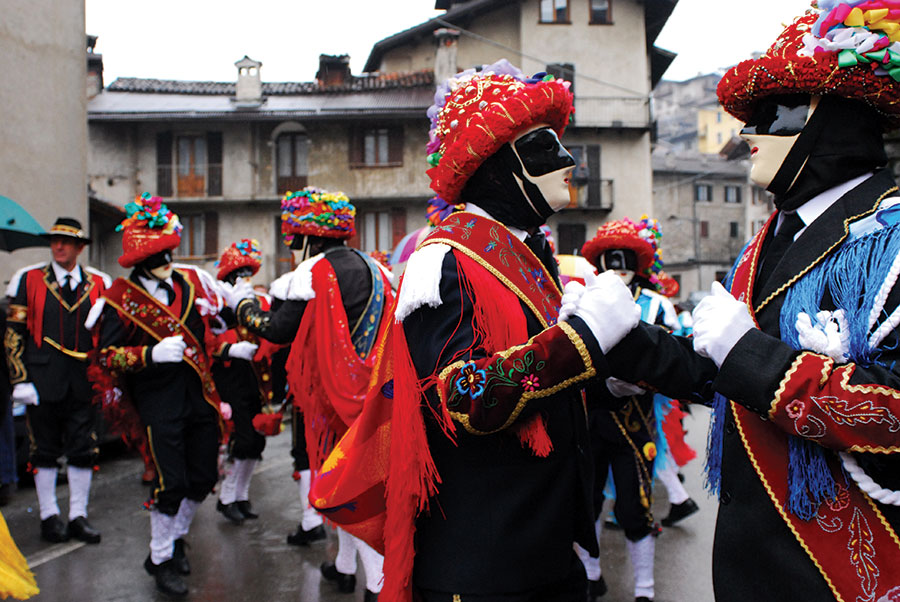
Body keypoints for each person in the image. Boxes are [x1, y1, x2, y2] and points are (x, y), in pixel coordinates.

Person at [578, 5, 900, 600]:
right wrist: (623, 341)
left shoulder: (893, 238)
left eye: (771, 114)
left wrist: (752, 355)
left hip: (844, 566)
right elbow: (714, 370)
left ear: (828, 123)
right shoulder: (766, 242)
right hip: (750, 558)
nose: (747, 133)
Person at [309, 59, 640, 602]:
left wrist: (607, 382)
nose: (568, 160)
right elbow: (464, 398)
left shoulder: (527, 253)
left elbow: (551, 380)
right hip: (487, 561)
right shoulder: (441, 262)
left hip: (543, 546)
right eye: (543, 147)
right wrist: (581, 339)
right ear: (495, 164)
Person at [228, 187, 393, 601]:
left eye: (293, 241)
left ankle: (378, 585)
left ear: (307, 238)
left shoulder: (312, 272)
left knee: (354, 490)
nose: (292, 250)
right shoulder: (377, 268)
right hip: (376, 394)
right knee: (356, 484)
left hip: (334, 401)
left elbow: (277, 329)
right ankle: (342, 567)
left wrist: (243, 303)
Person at [89, 194, 230, 597]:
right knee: (170, 482)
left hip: (197, 398)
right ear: (142, 260)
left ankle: (176, 539)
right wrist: (150, 353)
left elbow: (203, 342)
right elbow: (107, 357)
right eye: (161, 254)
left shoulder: (186, 286)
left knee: (203, 477)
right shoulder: (119, 300)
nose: (170, 260)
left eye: (170, 252)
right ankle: (161, 557)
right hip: (157, 403)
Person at [5, 217, 109, 544]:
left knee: (83, 449)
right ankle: (49, 516)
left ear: (80, 248)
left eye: (66, 242)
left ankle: (78, 515)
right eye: (54, 240)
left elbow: (106, 335)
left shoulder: (98, 283)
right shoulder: (28, 279)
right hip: (41, 380)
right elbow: (13, 335)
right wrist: (20, 380)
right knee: (44, 451)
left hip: (84, 380)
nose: (59, 246)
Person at [213, 239, 279, 525]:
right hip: (228, 380)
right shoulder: (217, 305)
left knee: (256, 442)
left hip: (255, 382)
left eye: (247, 274)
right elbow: (207, 341)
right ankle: (227, 497)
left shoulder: (257, 302)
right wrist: (229, 348)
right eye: (238, 275)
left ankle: (241, 494)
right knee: (240, 440)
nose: (243, 280)